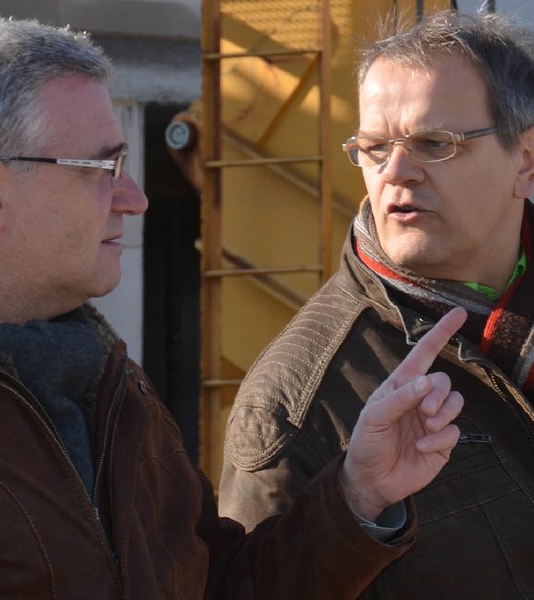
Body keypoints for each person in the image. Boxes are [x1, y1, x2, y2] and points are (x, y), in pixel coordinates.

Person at [0, 10, 465, 599]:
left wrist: (358, 495)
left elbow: (219, 587)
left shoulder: (109, 385)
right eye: (103, 168)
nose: (134, 199)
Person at [219, 8, 534, 599]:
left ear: (526, 159)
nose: (396, 172)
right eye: (372, 147)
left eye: (433, 143)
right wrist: (357, 507)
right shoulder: (294, 401)